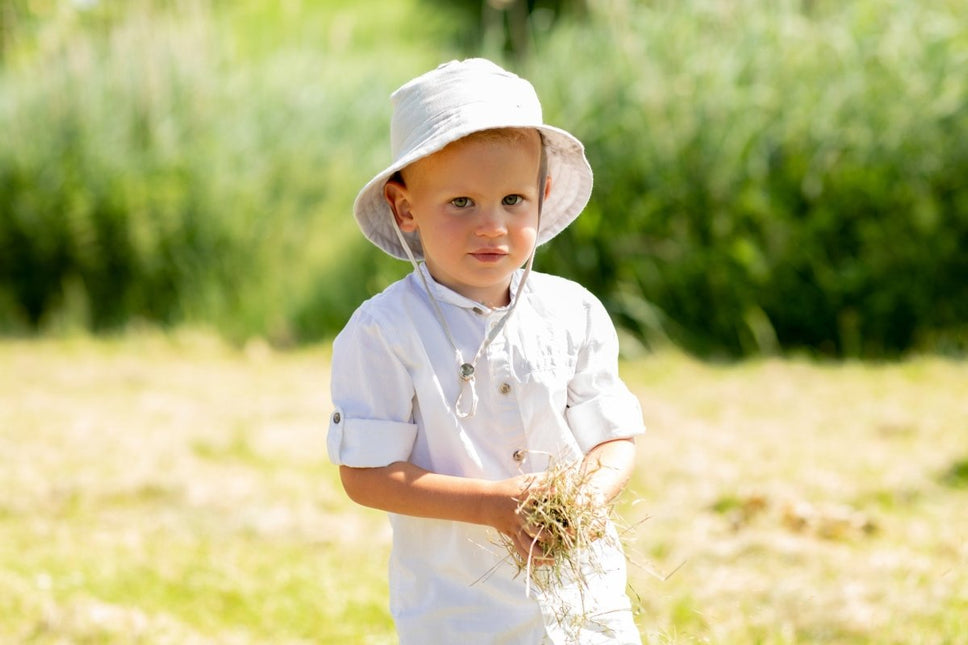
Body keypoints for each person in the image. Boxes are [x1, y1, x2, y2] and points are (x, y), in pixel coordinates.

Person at [327, 58, 646, 644]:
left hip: (585, 605)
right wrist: (495, 503)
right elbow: (367, 474)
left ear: (543, 196)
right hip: (461, 615)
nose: (492, 226)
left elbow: (613, 435)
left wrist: (583, 502)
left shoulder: (573, 312)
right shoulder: (386, 331)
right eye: (462, 204)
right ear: (405, 209)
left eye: (513, 200)